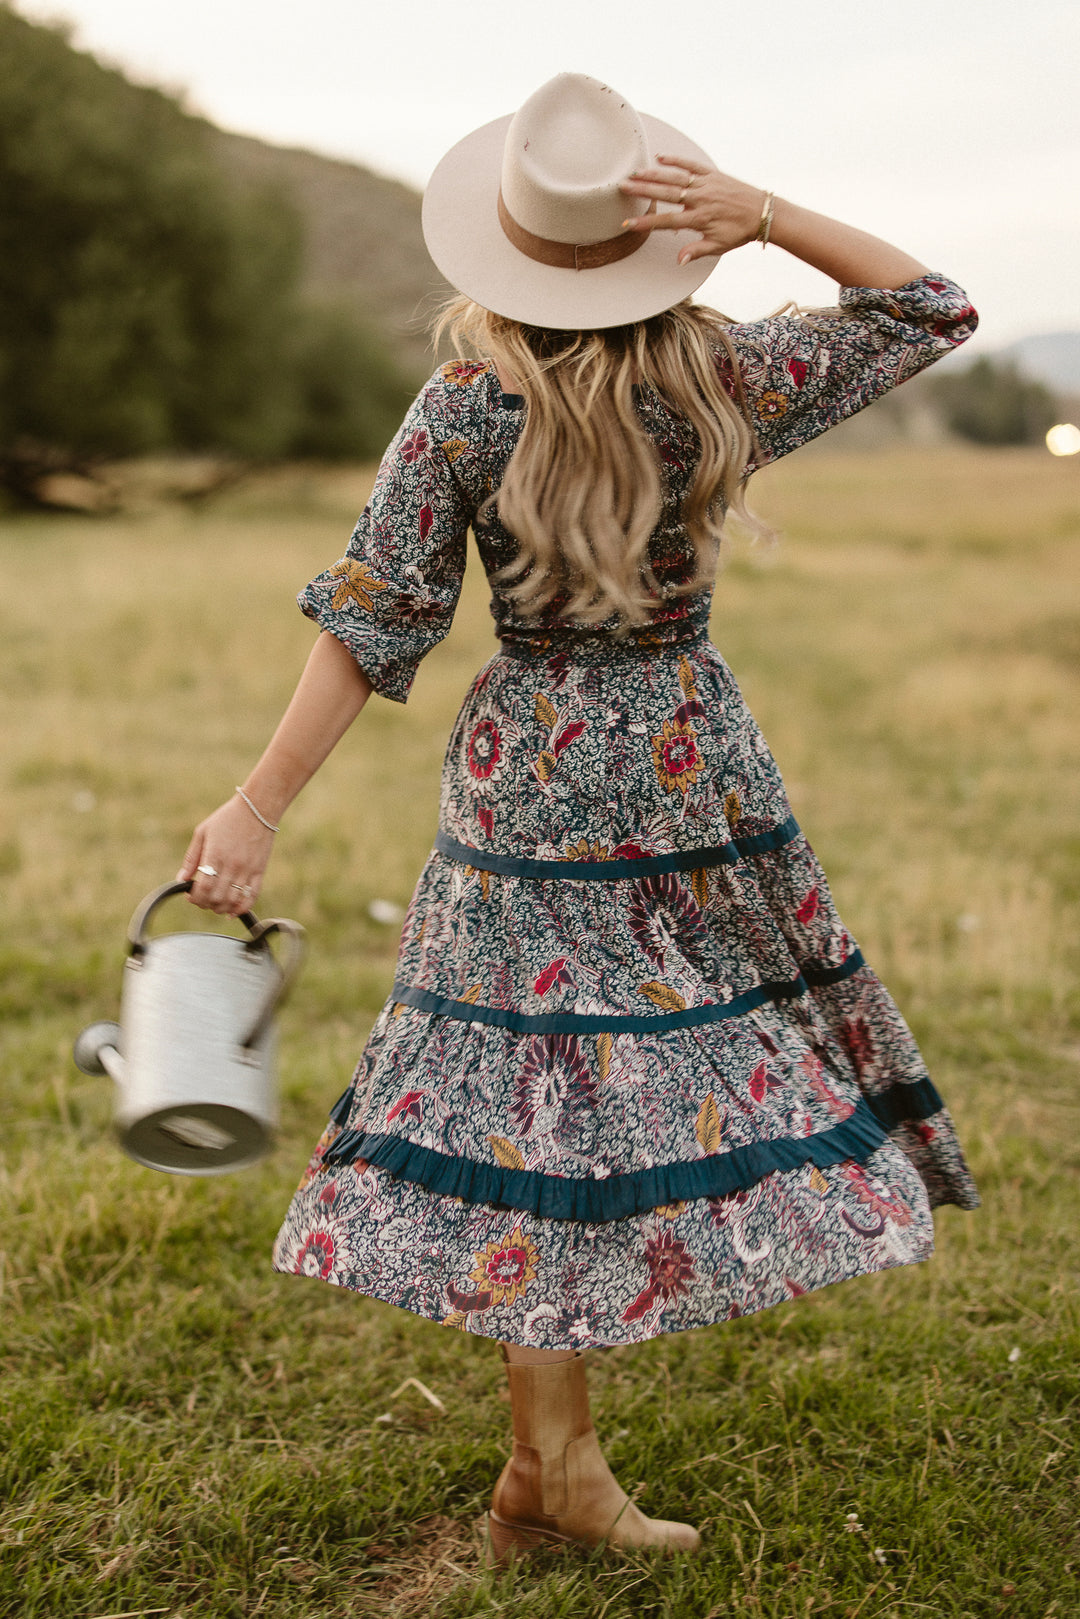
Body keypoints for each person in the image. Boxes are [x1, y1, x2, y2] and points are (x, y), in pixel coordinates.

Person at [179, 73, 980, 1562]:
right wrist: (769, 217)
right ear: (662, 242)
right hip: (687, 759)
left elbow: (371, 620)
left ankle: (551, 1469)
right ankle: (552, 1471)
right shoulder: (724, 380)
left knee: (537, 1098)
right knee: (624, 1081)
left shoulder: (469, 405)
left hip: (531, 779)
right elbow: (932, 308)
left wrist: (255, 802)